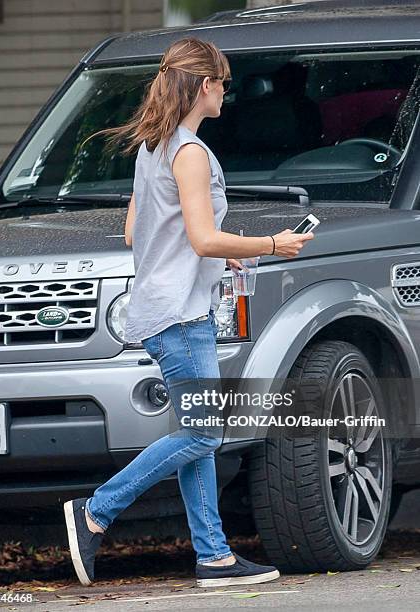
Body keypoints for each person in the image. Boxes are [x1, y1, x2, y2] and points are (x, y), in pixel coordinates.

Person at [63, 37, 314, 589]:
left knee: (196, 435)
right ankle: (95, 511)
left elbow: (137, 231)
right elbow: (202, 238)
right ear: (204, 86)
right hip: (180, 316)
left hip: (164, 307)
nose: (226, 92)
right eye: (222, 82)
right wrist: (272, 245)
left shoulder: (154, 147)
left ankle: (214, 556)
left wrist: (212, 256)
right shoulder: (191, 153)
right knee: (203, 435)